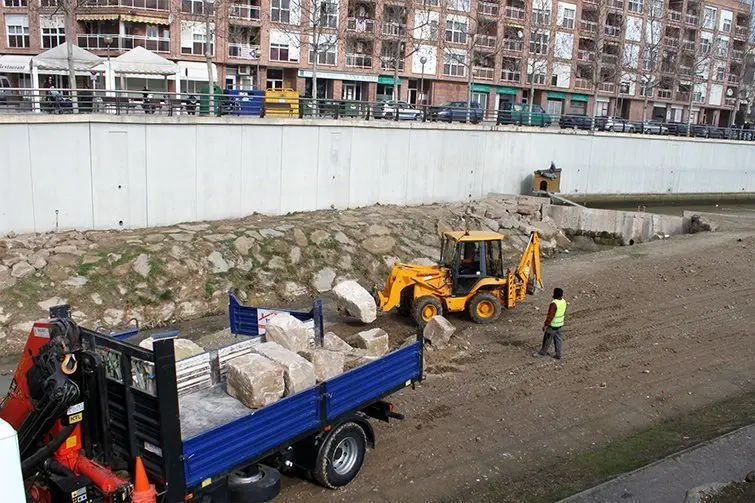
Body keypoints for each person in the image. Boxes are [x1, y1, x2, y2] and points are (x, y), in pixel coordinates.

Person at [534, 287, 567, 360]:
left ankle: (542, 353)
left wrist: (545, 325)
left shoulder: (554, 304)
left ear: (555, 294)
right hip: (559, 325)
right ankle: (558, 355)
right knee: (558, 340)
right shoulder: (563, 302)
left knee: (547, 340)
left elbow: (550, 316)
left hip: (552, 326)